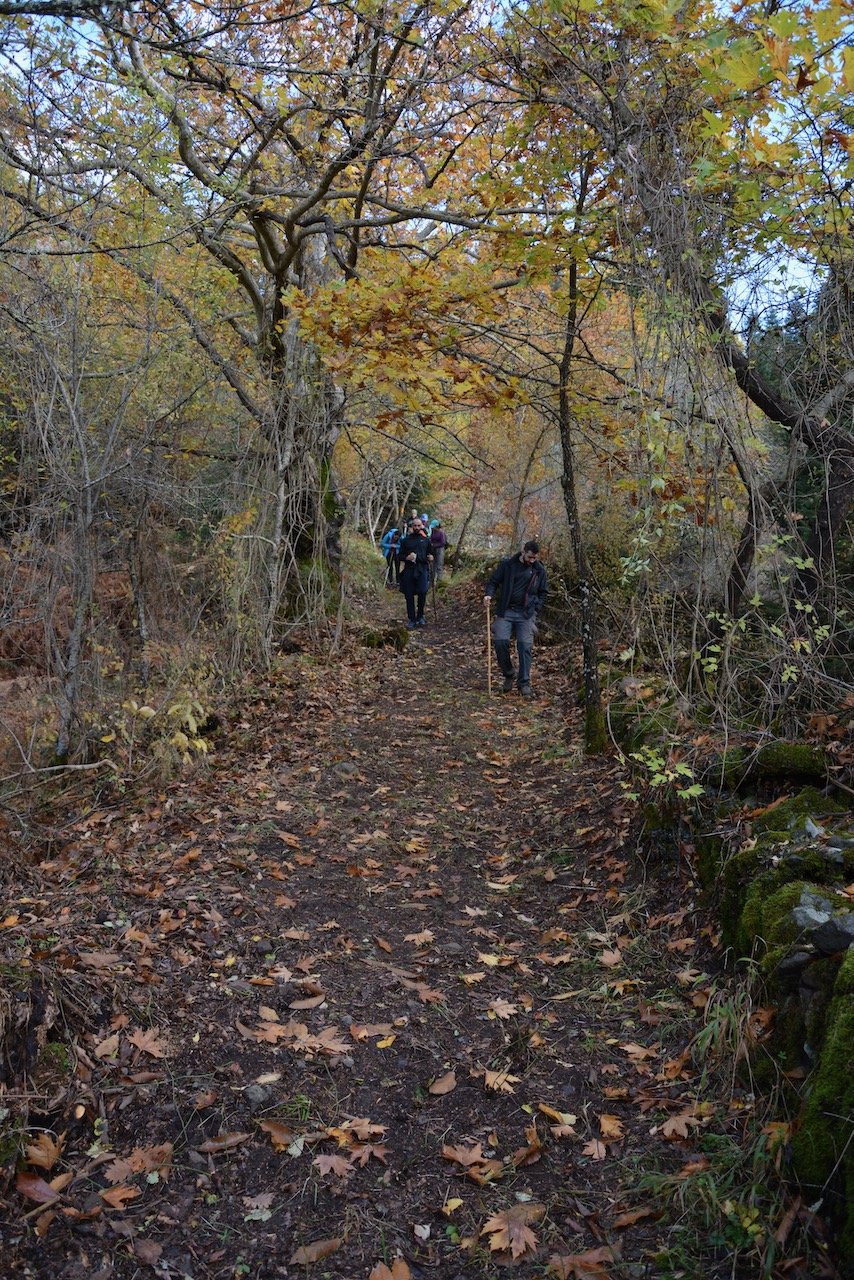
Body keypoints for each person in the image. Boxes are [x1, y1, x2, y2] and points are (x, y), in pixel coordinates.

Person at [483, 540, 547, 698]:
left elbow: (543, 592)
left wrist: (536, 608)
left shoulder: (539, 570)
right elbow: (493, 582)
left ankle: (524, 682)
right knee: (500, 641)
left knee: (525, 646)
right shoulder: (507, 565)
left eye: (535, 558)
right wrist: (488, 595)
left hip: (526, 614)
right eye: (530, 557)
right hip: (506, 611)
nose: (532, 560)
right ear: (523, 551)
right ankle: (509, 673)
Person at [398, 517, 434, 629]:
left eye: (419, 526)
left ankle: (420, 616)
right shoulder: (405, 540)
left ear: (422, 526)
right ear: (411, 527)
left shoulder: (426, 540)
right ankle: (411, 619)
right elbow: (400, 556)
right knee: (409, 595)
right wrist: (406, 557)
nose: (417, 528)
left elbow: (431, 554)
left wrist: (431, 557)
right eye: (415, 526)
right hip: (409, 569)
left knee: (422, 592)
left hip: (422, 569)